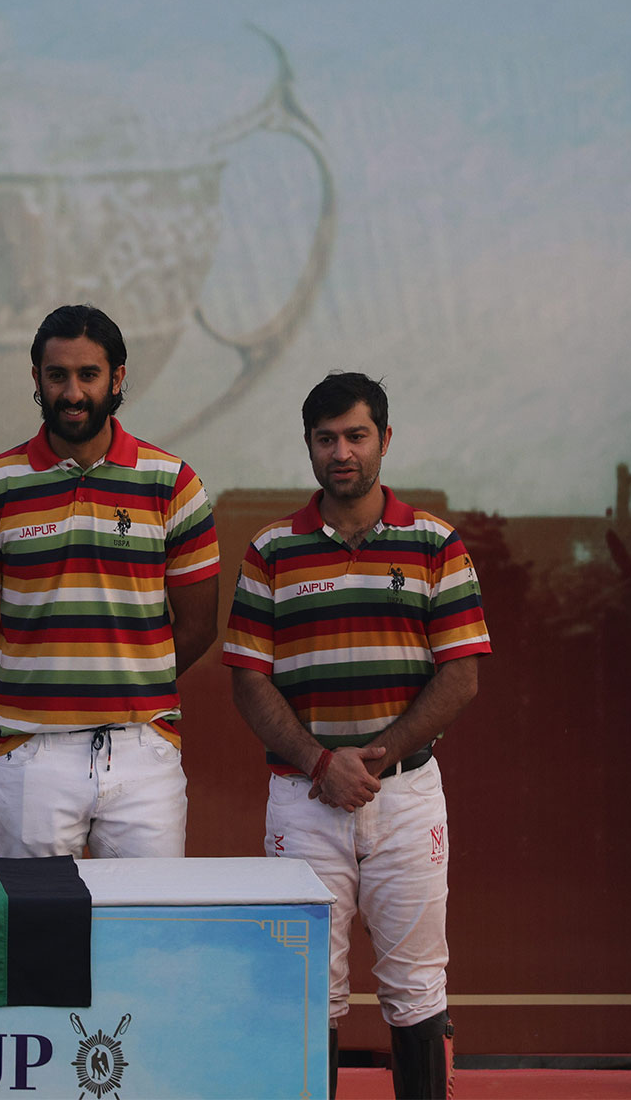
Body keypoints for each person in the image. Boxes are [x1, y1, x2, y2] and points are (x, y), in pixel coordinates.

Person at [225, 371, 489, 1100]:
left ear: (385, 440)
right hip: (304, 800)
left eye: (356, 435)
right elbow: (249, 680)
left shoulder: (437, 543)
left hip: (405, 801)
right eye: (325, 438)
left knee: (416, 990)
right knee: (307, 988)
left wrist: (380, 755)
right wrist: (320, 764)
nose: (341, 452)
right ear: (309, 447)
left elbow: (462, 675)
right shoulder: (270, 551)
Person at [0, 303, 220, 859]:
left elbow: (198, 625)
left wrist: (132, 686)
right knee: (35, 942)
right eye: (57, 376)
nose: (72, 393)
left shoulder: (173, 483)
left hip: (143, 754)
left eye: (88, 375)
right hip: (33, 756)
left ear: (117, 379)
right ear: (37, 380)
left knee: (145, 939)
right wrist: (28, 698)